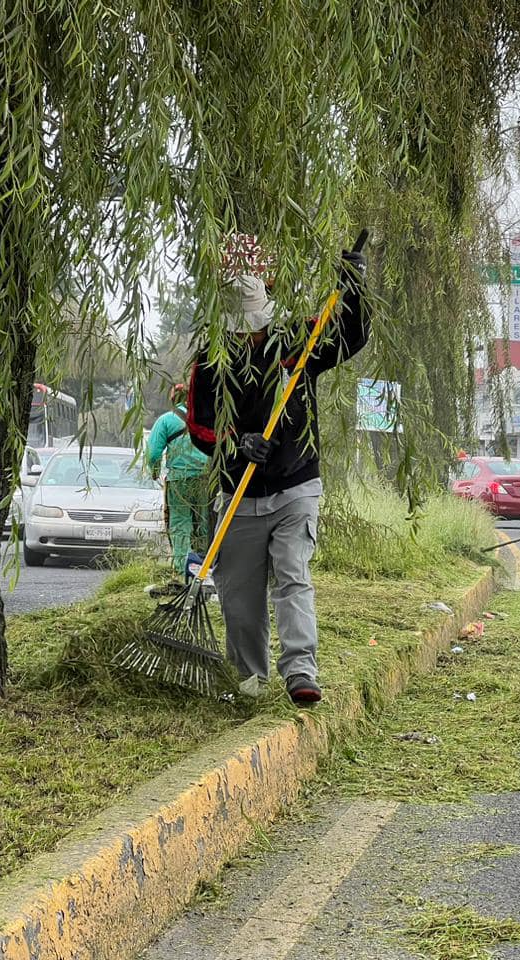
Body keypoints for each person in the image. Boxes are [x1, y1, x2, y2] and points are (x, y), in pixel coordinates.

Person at [186, 236, 369, 705]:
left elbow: (349, 335)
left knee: (293, 575)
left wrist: (354, 287)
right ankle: (249, 680)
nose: (250, 334)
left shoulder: (294, 340)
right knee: (239, 597)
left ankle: (300, 672)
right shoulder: (209, 359)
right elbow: (201, 429)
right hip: (238, 493)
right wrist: (237, 446)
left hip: (295, 483)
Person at [147, 383, 211, 580]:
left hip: (179, 480)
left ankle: (182, 568)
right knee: (204, 523)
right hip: (205, 479)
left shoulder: (167, 420)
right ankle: (204, 566)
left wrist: (155, 471)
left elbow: (154, 452)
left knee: (180, 524)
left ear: (174, 398)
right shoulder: (207, 417)